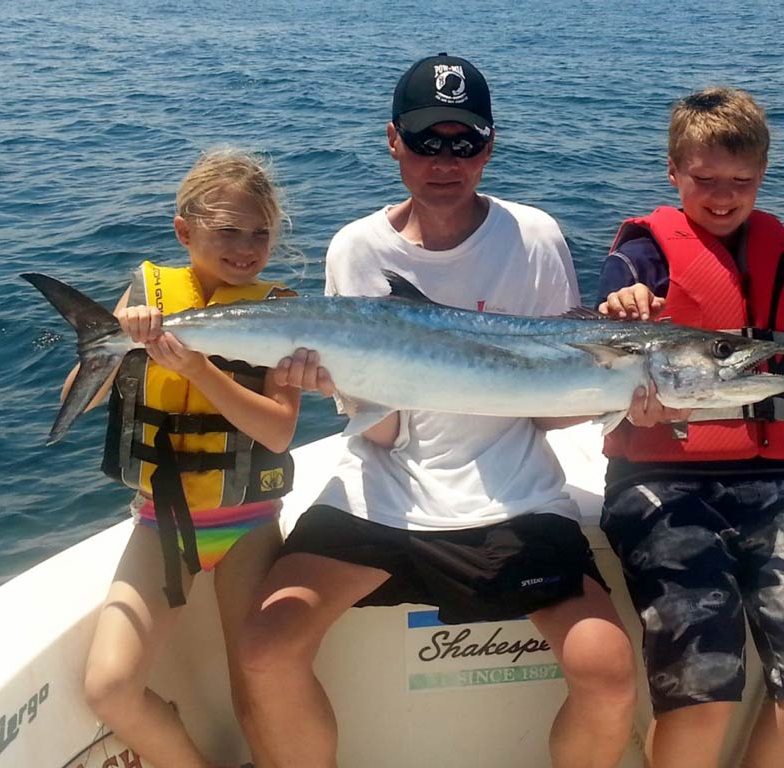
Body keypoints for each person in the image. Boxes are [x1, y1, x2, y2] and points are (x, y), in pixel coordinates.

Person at [237, 54, 637, 768]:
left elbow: (542, 410)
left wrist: (619, 400)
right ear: (393, 140)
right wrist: (341, 386)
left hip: (512, 496)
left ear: (489, 145)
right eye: (427, 140)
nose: (445, 161)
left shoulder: (534, 237)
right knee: (266, 650)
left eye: (464, 142)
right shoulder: (357, 248)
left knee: (606, 670)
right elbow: (379, 432)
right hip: (382, 492)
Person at [595, 87, 784, 768]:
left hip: (775, 480)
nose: (723, 196)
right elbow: (606, 352)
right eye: (704, 180)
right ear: (673, 172)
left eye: (743, 182)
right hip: (658, 482)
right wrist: (623, 307)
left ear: (762, 176)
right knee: (702, 688)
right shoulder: (640, 258)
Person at [74, 148, 302, 768]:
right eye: (227, 230)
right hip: (163, 522)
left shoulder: (282, 308)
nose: (245, 247)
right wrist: (114, 340)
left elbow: (279, 432)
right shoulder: (149, 295)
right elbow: (81, 395)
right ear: (185, 231)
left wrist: (194, 368)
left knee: (259, 685)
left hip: (250, 522)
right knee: (110, 686)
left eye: (259, 232)